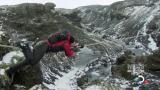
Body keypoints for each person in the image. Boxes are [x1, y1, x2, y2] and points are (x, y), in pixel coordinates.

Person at [5, 31, 82, 80]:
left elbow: (65, 48)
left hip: (42, 45)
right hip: (44, 46)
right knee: (33, 61)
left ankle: (10, 70)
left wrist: (74, 47)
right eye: (73, 43)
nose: (73, 44)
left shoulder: (65, 43)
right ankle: (25, 46)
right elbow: (69, 53)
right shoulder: (66, 43)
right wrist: (74, 52)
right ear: (70, 41)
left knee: (28, 61)